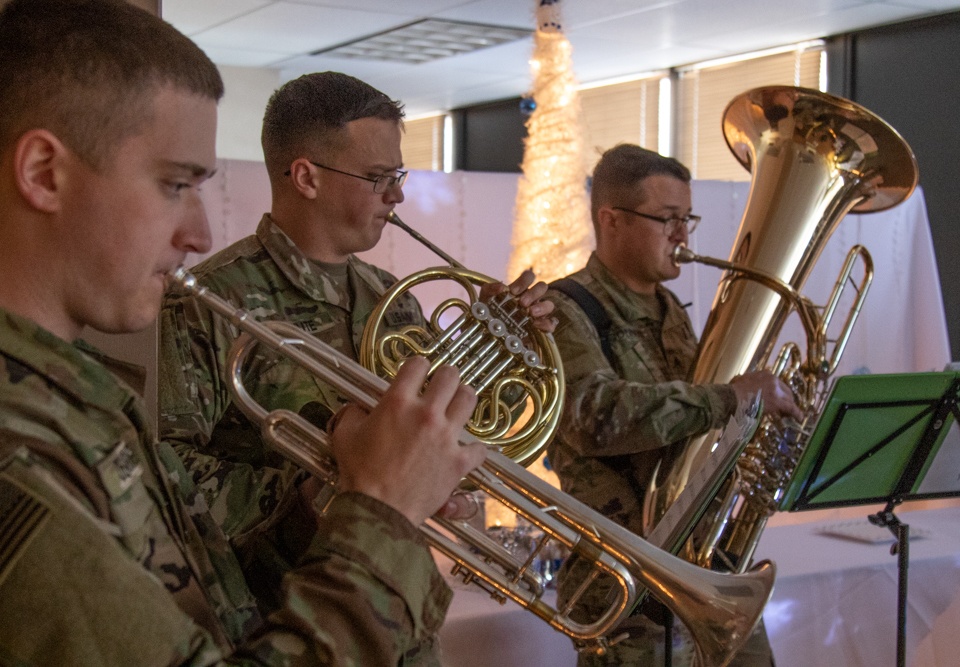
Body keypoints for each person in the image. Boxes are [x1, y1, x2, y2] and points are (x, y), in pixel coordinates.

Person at [0, 0, 486, 664]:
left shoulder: (77, 395)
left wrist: (326, 504)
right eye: (175, 184)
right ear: (43, 174)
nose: (198, 234)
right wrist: (382, 512)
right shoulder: (19, 442)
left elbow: (206, 600)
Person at [157, 71, 554, 615]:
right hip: (280, 612)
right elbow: (166, 471)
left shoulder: (393, 299)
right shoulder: (208, 301)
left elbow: (465, 426)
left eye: (398, 174)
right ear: (306, 177)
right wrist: (335, 485)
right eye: (378, 177)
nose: (398, 195)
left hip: (395, 602)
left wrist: (511, 347)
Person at [546, 144, 803, 666]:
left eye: (687, 219)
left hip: (708, 563)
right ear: (611, 220)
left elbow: (697, 436)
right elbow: (593, 416)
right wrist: (731, 398)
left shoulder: (671, 312)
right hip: (626, 582)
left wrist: (766, 418)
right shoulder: (565, 308)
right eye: (667, 219)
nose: (683, 235)